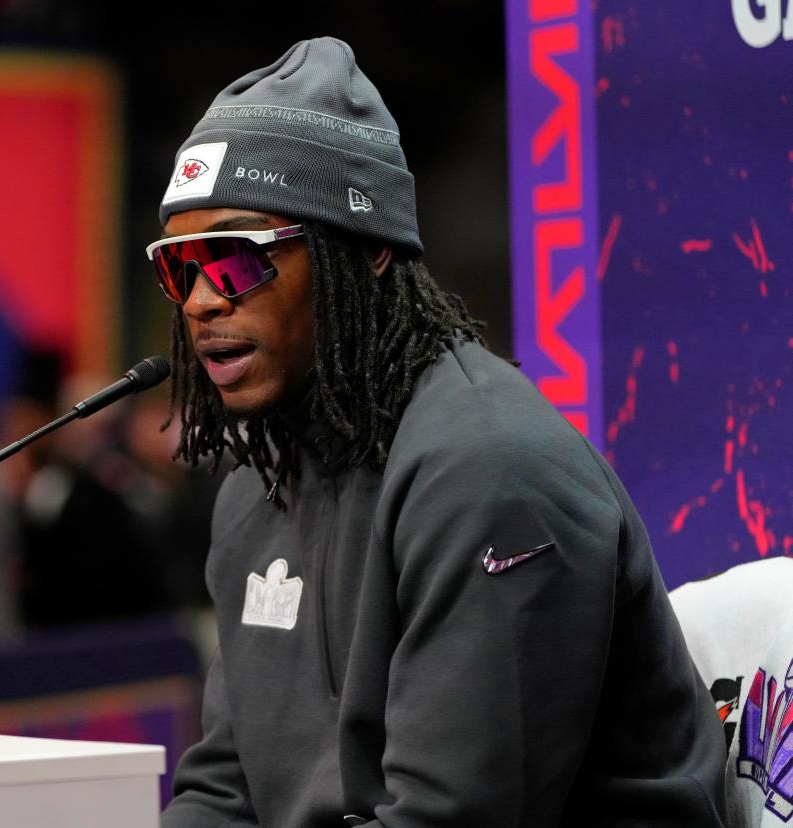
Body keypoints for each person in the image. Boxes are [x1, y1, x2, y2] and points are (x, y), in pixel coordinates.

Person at [149, 37, 726, 827]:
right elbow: (223, 790)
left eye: (238, 261)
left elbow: (457, 816)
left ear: (371, 250)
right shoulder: (259, 480)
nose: (202, 301)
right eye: (180, 267)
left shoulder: (491, 468)